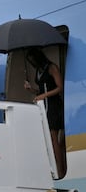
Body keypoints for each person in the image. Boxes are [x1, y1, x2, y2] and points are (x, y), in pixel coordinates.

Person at [23, 48, 66, 177]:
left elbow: (60, 87)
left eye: (33, 60)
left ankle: (60, 169)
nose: (33, 63)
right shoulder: (39, 70)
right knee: (51, 138)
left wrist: (44, 95)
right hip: (45, 105)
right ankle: (58, 166)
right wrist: (31, 89)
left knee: (53, 137)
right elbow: (40, 91)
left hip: (53, 105)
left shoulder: (52, 68)